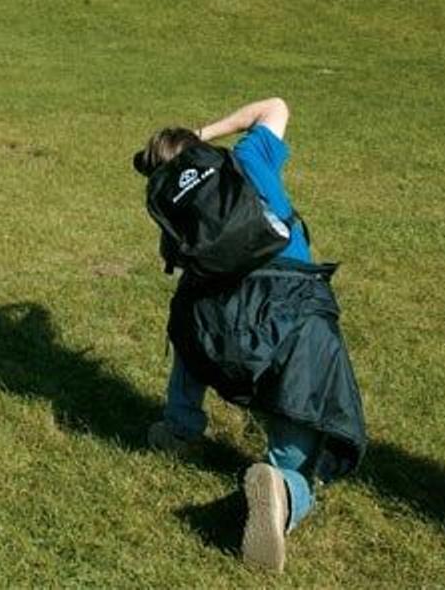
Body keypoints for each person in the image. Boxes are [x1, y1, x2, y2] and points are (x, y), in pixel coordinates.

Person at [134, 97, 365, 574]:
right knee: (300, 399)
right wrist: (207, 131)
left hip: (217, 334)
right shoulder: (246, 160)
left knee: (189, 310)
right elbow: (275, 105)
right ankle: (283, 487)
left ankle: (180, 427)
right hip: (293, 318)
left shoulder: (174, 208)